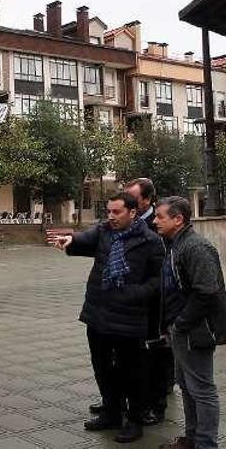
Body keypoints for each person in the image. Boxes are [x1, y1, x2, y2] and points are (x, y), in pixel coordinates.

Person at [50, 192, 164, 443]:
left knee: (132, 372)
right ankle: (111, 413)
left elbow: (158, 281)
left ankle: (134, 421)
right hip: (98, 313)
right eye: (109, 211)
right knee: (102, 368)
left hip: (130, 318)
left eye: (117, 212)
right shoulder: (104, 231)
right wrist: (69, 239)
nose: (110, 216)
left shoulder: (151, 241)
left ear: (132, 213)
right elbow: (83, 238)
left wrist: (134, 293)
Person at [155, 196, 226, 449]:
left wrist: (181, 323)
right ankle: (192, 438)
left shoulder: (195, 247)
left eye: (160, 217)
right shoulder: (175, 243)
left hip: (195, 330)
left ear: (178, 219)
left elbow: (207, 291)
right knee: (186, 385)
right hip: (181, 329)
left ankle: (205, 444)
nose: (155, 221)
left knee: (202, 389)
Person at [124, 178, 173, 426]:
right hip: (128, 301)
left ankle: (156, 404)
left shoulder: (159, 226)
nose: (128, 202)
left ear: (146, 200)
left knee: (154, 354)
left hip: (153, 301)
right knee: (128, 356)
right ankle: (125, 400)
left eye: (133, 198)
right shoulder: (124, 222)